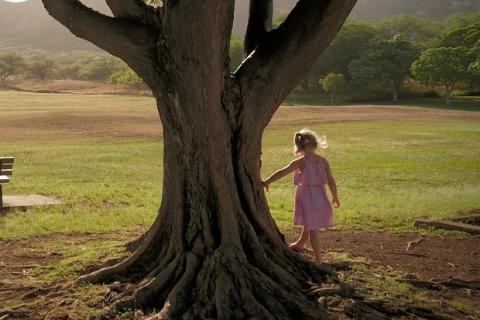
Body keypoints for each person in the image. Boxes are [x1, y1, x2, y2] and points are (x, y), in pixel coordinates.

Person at [262, 128, 339, 263]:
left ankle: (319, 259)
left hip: (306, 197)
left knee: (312, 227)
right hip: (321, 196)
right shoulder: (323, 161)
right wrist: (335, 196)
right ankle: (300, 243)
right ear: (316, 145)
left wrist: (267, 181)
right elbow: (331, 180)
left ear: (299, 146)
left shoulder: (299, 162)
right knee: (310, 222)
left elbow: (282, 172)